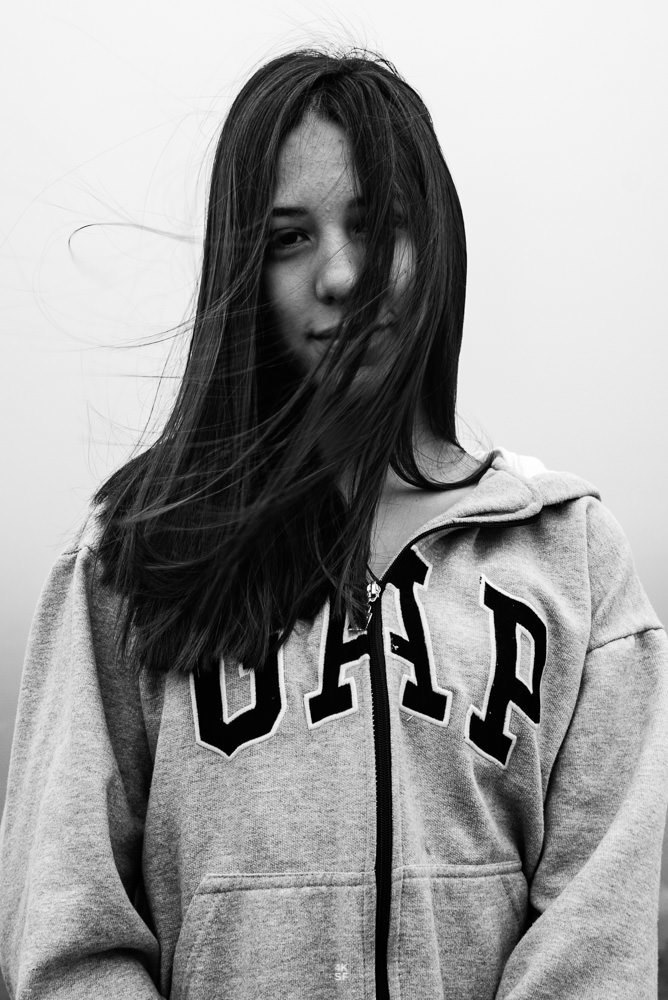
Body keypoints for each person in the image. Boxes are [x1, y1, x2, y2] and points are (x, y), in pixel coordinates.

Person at [0, 46, 667, 1000]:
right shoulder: (134, 556)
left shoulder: (571, 557)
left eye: (376, 226)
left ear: (437, 243)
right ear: (242, 271)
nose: (343, 274)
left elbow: (599, 942)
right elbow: (70, 935)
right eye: (289, 238)